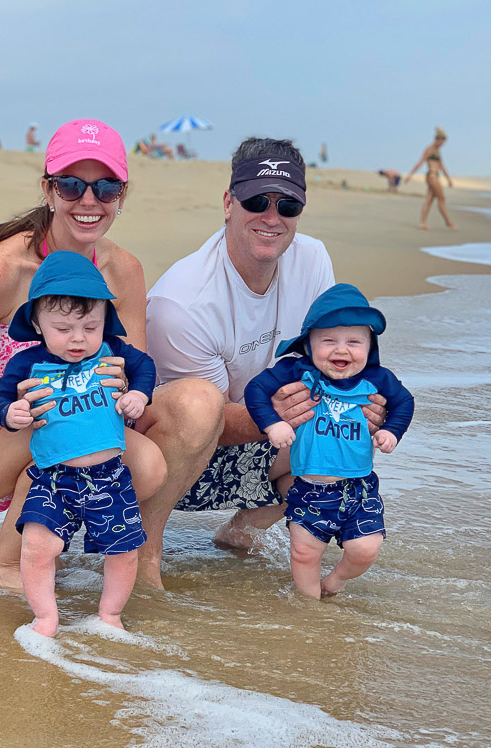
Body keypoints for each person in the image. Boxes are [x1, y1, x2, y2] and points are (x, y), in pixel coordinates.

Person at [0, 118, 170, 594]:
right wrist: (14, 412)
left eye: (105, 188)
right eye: (71, 185)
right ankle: (6, 564)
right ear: (48, 189)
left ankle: (62, 542)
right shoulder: (4, 269)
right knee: (60, 417)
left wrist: (130, 394)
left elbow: (126, 368)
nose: (89, 201)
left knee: (144, 465)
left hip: (60, 411)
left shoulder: (124, 270)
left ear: (121, 195)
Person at [144, 137, 386, 584]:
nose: (272, 217)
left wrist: (368, 407)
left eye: (287, 205)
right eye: (257, 200)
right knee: (201, 403)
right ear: (228, 203)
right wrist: (284, 412)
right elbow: (205, 423)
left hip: (260, 433)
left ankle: (242, 533)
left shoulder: (311, 258)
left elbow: (333, 362)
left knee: (346, 426)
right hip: (162, 460)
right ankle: (144, 555)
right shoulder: (182, 301)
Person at [0, 252, 157, 636]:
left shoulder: (112, 350)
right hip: (52, 478)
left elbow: (145, 366)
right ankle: (46, 618)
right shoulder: (28, 364)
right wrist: (10, 412)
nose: (79, 339)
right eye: (63, 329)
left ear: (104, 323)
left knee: (124, 550)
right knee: (36, 548)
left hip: (110, 477)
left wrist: (141, 395)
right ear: (37, 323)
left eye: (90, 326)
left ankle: (110, 615)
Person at [244, 284, 414, 598]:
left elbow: (404, 402)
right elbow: (255, 390)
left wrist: (391, 430)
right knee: (304, 553)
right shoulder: (297, 371)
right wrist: (272, 423)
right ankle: (309, 606)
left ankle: (335, 583)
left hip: (359, 488)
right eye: (328, 340)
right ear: (308, 345)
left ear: (369, 346)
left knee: (365, 549)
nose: (341, 349)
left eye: (354, 341)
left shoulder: (376, 379)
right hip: (309, 487)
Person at [405, 128, 457, 230]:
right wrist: (410, 175)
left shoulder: (437, 151)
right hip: (432, 176)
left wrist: (448, 179)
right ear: (437, 140)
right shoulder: (429, 149)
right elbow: (420, 162)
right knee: (441, 199)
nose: (442, 145)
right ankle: (448, 222)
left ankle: (422, 222)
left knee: (429, 199)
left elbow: (442, 166)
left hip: (435, 176)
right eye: (442, 142)